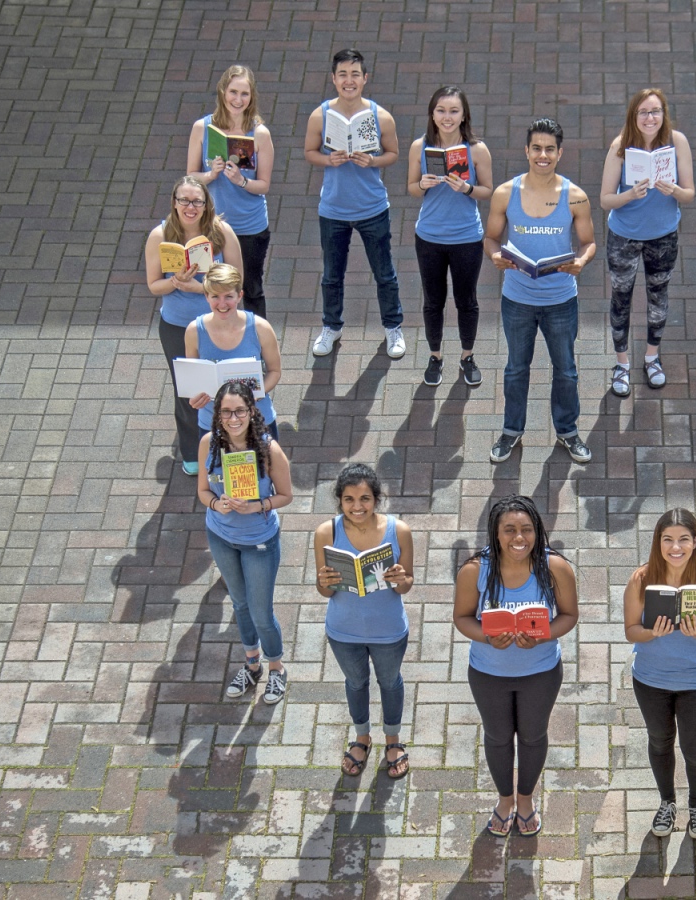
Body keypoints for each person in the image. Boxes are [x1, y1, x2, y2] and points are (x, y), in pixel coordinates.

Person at [452, 496, 578, 837]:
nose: (518, 538)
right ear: (495, 533)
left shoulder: (555, 568)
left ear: (537, 531)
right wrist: (486, 637)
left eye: (526, 529)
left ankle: (526, 799)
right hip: (488, 672)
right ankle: (505, 800)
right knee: (497, 737)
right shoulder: (475, 570)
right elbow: (462, 618)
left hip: (541, 671)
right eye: (509, 530)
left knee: (534, 736)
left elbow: (569, 616)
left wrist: (542, 635)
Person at [484, 118, 597, 465]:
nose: (542, 155)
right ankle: (511, 431)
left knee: (566, 369)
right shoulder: (506, 193)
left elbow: (589, 243)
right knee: (516, 368)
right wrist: (495, 255)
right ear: (526, 151)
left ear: (560, 153)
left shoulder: (575, 198)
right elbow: (490, 237)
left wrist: (581, 262)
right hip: (517, 299)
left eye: (550, 149)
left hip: (561, 300)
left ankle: (567, 432)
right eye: (536, 148)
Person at [622, 509, 696, 840]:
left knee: (695, 749)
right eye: (667, 539)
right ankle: (667, 802)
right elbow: (630, 631)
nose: (675, 547)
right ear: (658, 542)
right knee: (660, 741)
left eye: (683, 539)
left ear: (695, 542)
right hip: (651, 680)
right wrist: (651, 632)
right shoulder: (641, 579)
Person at [315, 464, 415, 779]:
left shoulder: (398, 531)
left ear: (376, 499)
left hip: (388, 630)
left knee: (389, 682)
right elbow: (324, 593)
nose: (357, 507)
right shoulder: (325, 533)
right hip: (344, 631)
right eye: (349, 499)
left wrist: (401, 577)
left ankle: (393, 739)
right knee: (356, 683)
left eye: (365, 498)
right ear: (339, 501)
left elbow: (406, 585)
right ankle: (362, 736)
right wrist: (325, 580)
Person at [304, 48, 404, 360]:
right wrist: (327, 159)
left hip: (373, 208)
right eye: (343, 74)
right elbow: (309, 152)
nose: (349, 81)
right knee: (332, 274)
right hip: (333, 209)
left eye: (355, 74)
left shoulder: (380, 116)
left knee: (384, 273)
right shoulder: (320, 115)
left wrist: (372, 161)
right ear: (333, 79)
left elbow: (393, 154)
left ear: (365, 79)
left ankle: (393, 327)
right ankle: (331, 326)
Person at [196, 382, 293, 704]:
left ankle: (276, 669)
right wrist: (215, 505)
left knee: (261, 611)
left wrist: (257, 505)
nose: (233, 418)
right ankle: (252, 664)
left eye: (240, 410)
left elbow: (286, 495)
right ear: (218, 414)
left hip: (259, 541)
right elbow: (203, 491)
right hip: (221, 537)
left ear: (252, 411)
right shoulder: (209, 444)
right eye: (226, 411)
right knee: (239, 604)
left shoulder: (269, 450)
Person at [599, 89, 696, 396]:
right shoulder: (620, 146)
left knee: (658, 297)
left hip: (663, 236)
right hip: (624, 237)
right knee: (621, 297)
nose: (650, 118)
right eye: (643, 112)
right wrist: (630, 194)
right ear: (634, 116)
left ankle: (652, 357)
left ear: (664, 114)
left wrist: (675, 191)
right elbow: (604, 200)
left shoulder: (677, 142)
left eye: (656, 111)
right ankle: (622, 363)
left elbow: (690, 193)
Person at [145, 176, 243, 475]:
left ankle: (232, 446)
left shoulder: (221, 232)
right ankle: (192, 451)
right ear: (174, 202)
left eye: (197, 201)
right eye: (184, 200)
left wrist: (198, 289)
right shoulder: (159, 235)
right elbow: (153, 285)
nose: (190, 207)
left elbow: (238, 280)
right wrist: (175, 281)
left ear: (206, 204)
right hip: (176, 325)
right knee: (189, 391)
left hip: (218, 322)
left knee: (227, 385)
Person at [407, 86, 494, 388]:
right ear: (432, 113)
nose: (447, 117)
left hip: (467, 238)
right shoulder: (419, 146)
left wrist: (467, 188)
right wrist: (423, 183)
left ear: (464, 115)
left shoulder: (477, 150)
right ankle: (435, 356)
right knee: (433, 300)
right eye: (441, 110)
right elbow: (411, 188)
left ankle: (467, 356)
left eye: (454, 111)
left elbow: (488, 191)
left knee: (466, 300)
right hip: (429, 236)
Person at [187, 65, 274, 319]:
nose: (238, 100)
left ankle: (258, 347)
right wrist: (209, 175)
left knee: (251, 288)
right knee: (213, 287)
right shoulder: (202, 128)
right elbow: (190, 176)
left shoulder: (259, 134)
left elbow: (264, 185)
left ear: (252, 96)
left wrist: (241, 181)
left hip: (249, 226)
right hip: (212, 225)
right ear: (223, 91)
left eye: (244, 94)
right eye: (233, 92)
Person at [185, 263, 281, 443]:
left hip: (257, 419)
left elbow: (275, 371)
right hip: (213, 424)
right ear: (206, 296)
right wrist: (195, 398)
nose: (222, 304)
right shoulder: (194, 331)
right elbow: (194, 380)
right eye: (215, 296)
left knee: (268, 471)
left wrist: (252, 397)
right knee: (215, 472)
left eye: (228, 296)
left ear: (239, 296)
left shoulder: (260, 328)